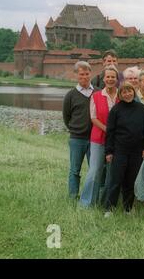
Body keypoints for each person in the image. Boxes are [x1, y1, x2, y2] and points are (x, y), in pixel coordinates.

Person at [104, 82, 144, 215]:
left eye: (129, 91)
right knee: (116, 180)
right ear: (120, 94)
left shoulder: (140, 108)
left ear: (133, 92)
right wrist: (109, 151)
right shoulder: (116, 109)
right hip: (120, 151)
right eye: (124, 92)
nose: (127, 94)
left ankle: (127, 208)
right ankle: (109, 208)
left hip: (137, 152)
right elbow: (110, 132)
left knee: (131, 181)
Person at [79, 65, 119, 207]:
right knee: (94, 171)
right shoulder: (96, 96)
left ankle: (106, 203)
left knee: (111, 173)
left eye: (113, 77)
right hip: (98, 139)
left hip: (116, 141)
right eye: (107, 77)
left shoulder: (121, 96)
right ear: (103, 79)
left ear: (117, 79)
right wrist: (108, 129)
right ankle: (86, 203)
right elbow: (93, 118)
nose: (110, 79)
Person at [62, 61, 94, 199]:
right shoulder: (70, 95)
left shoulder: (97, 92)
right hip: (77, 138)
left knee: (95, 170)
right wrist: (75, 129)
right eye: (81, 74)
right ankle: (73, 195)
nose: (85, 77)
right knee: (75, 170)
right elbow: (66, 116)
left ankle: (92, 195)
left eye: (87, 74)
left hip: (94, 138)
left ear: (90, 74)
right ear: (76, 75)